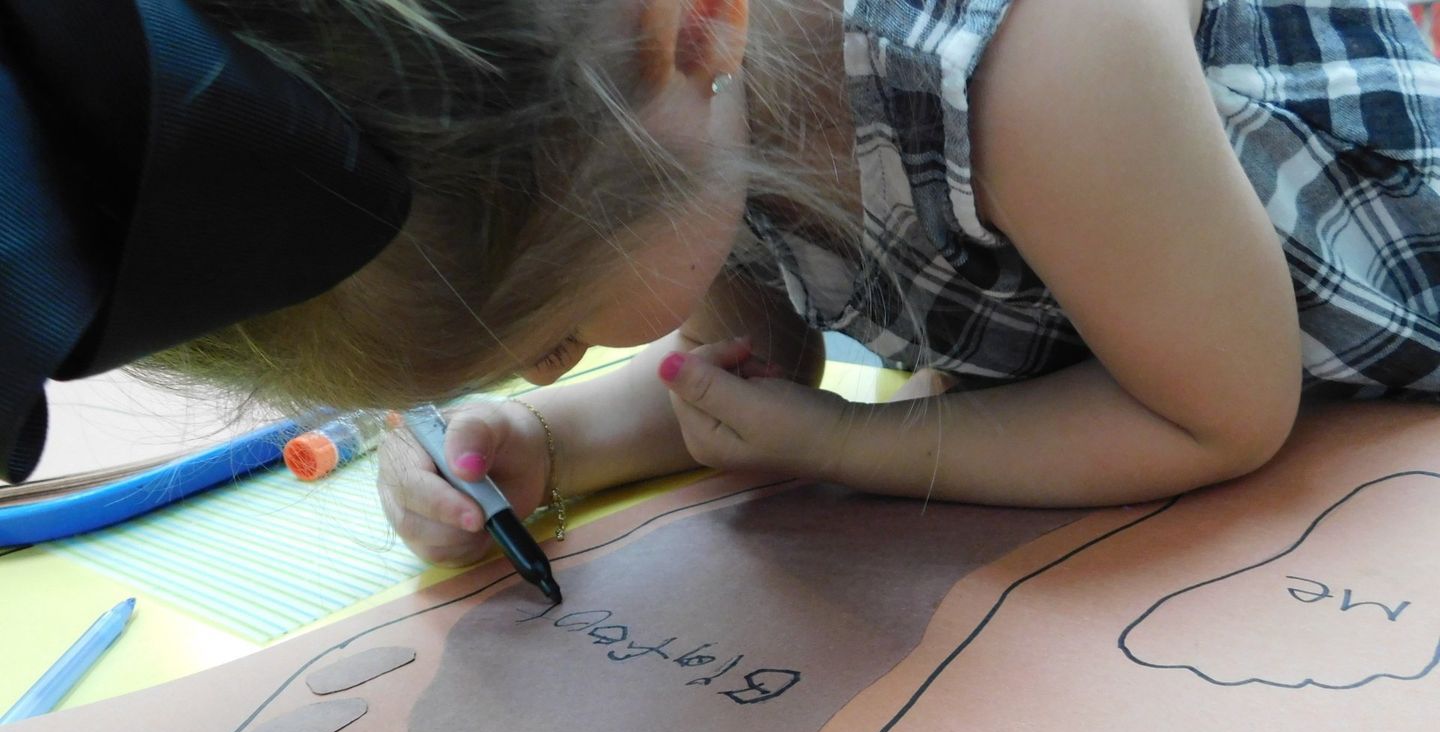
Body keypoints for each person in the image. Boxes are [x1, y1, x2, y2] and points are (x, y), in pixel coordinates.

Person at [6, 1, 1438, 567]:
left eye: (551, 334)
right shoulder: (655, 105)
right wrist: (550, 448)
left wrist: (862, 450)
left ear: (694, 33)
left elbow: (1221, 415)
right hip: (1166, 375)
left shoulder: (1033, 51)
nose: (557, 362)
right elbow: (761, 380)